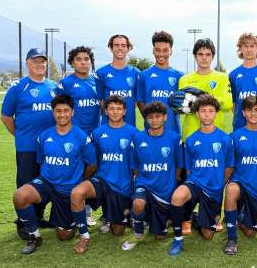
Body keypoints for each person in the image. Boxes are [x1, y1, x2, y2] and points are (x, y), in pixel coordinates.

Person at [12, 95, 97, 254]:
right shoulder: (44, 136)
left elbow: (92, 164)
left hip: (68, 188)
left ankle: (63, 216)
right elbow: (41, 162)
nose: (62, 114)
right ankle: (34, 235)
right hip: (46, 182)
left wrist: (81, 181)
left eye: (66, 110)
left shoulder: (81, 137)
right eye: (58, 111)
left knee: (65, 236)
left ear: (72, 112)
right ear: (53, 113)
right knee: (20, 196)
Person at [69, 94, 139, 253]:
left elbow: (137, 163)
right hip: (102, 181)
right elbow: (93, 160)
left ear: (125, 111)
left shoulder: (134, 133)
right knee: (77, 193)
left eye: (119, 109)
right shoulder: (98, 132)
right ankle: (84, 236)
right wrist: (84, 179)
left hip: (122, 186)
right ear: (105, 111)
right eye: (111, 109)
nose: (115, 112)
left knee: (118, 232)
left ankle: (111, 214)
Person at [1, 48, 58, 238]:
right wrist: (20, 135)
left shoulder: (53, 87)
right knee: (26, 185)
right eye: (36, 61)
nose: (40, 64)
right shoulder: (18, 87)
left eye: (43, 61)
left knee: (46, 183)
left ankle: (39, 217)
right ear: (27, 64)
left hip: (50, 148)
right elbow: (6, 116)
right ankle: (24, 223)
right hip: (27, 147)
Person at [177, 38, 232, 234]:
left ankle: (213, 215)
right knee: (188, 177)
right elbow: (180, 107)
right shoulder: (185, 80)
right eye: (200, 54)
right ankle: (186, 218)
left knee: (216, 178)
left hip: (216, 137)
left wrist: (203, 98)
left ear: (213, 57)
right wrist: (187, 106)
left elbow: (227, 103)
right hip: (190, 135)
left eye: (208, 54)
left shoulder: (222, 78)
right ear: (195, 56)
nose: (204, 58)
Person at [168, 94, 234, 255]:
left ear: (216, 114)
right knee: (177, 196)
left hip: (213, 189)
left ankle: (197, 217)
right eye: (203, 111)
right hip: (195, 184)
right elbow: (189, 169)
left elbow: (229, 167)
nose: (207, 114)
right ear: (197, 113)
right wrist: (192, 183)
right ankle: (177, 239)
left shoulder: (225, 139)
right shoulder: (191, 140)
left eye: (210, 111)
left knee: (208, 236)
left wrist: (220, 184)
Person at [122, 101, 184, 251]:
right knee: (138, 203)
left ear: (165, 117)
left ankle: (158, 220)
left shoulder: (174, 138)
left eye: (158, 116)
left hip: (165, 190)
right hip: (144, 184)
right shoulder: (138, 138)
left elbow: (179, 165)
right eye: (150, 117)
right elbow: (135, 166)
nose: (154, 120)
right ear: (146, 119)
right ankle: (138, 233)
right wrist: (145, 178)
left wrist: (171, 181)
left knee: (160, 236)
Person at [223, 96, 257, 255]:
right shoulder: (235, 136)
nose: (253, 114)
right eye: (249, 110)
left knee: (250, 232)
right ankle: (232, 237)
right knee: (231, 190)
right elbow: (231, 165)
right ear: (244, 113)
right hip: (239, 182)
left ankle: (239, 214)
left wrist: (255, 175)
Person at [57, 46, 100, 227]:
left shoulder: (98, 82)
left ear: (91, 62)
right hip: (74, 137)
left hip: (95, 136)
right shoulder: (66, 83)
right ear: (72, 62)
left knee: (93, 174)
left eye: (86, 59)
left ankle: (89, 213)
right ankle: (72, 210)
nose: (83, 62)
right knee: (73, 174)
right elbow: (60, 111)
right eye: (79, 59)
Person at [137, 31, 184, 133]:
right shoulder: (143, 75)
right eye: (158, 50)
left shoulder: (180, 76)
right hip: (151, 132)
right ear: (153, 51)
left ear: (171, 52)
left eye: (165, 50)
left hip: (173, 131)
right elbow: (140, 102)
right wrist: (150, 119)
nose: (161, 54)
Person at [228, 32, 257, 131]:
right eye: (245, 46)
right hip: (240, 126)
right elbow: (234, 103)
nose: (249, 49)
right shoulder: (233, 75)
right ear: (240, 49)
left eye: (252, 46)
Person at [95, 34, 139, 127]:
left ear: (128, 49)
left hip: (129, 125)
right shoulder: (101, 72)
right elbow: (102, 103)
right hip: (108, 126)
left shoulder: (135, 72)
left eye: (123, 46)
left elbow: (135, 101)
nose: (120, 48)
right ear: (111, 48)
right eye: (116, 45)